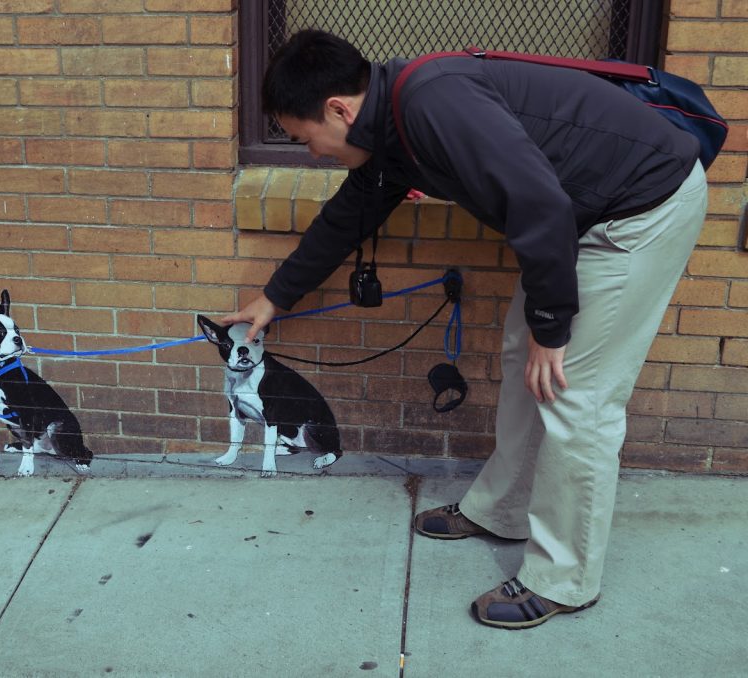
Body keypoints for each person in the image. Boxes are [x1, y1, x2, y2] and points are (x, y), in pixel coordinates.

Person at [221, 29, 707, 629]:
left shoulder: (432, 102)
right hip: (577, 219)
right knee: (521, 360)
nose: (312, 154)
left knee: (575, 392)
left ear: (338, 110)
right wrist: (276, 295)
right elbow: (354, 211)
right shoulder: (392, 124)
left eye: (306, 139)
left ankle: (565, 578)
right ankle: (503, 509)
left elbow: (538, 203)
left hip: (637, 211)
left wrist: (552, 327)